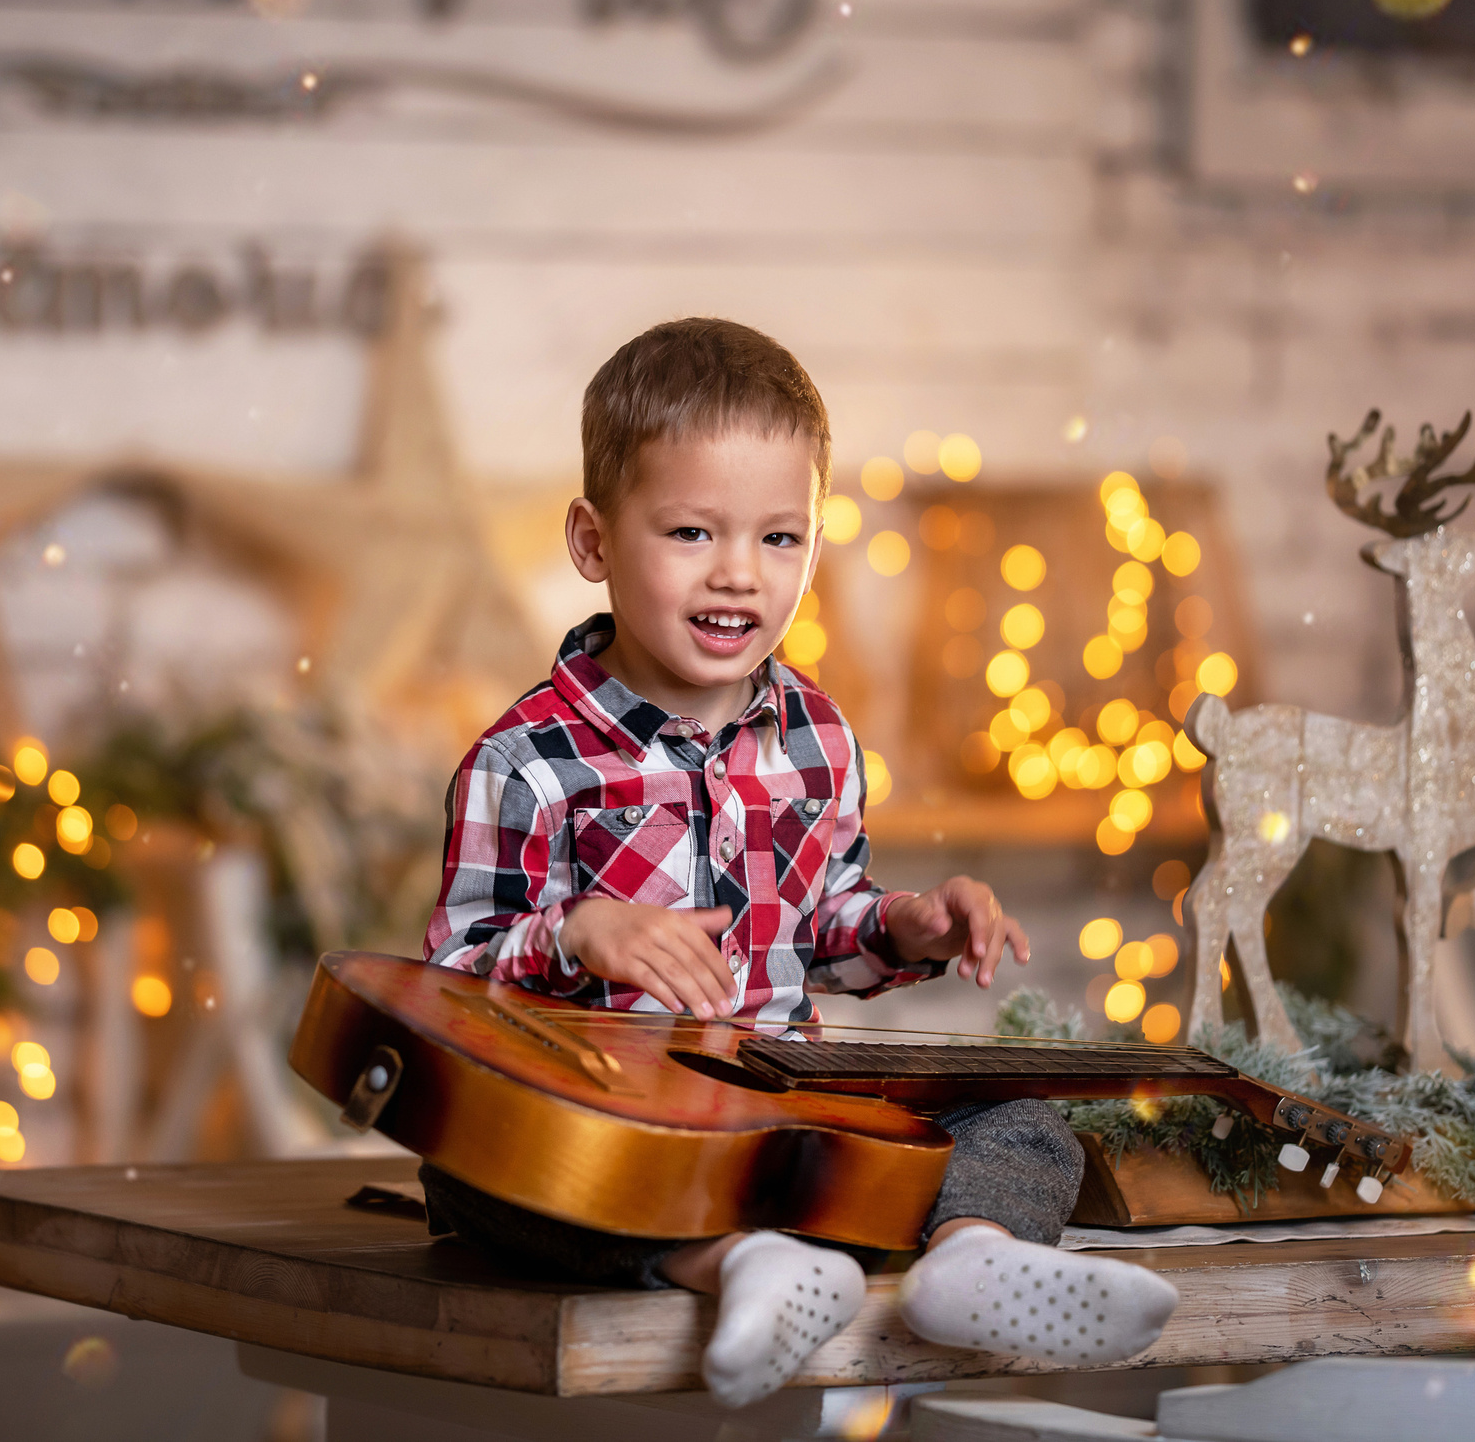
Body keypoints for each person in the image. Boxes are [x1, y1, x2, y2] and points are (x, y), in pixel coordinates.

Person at [421, 318, 1179, 1407]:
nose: (739, 575)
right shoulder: (528, 762)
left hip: (777, 1108)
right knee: (481, 1173)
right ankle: (744, 1266)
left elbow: (820, 927)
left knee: (1016, 1121)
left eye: (781, 539)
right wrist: (575, 932)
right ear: (593, 542)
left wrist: (903, 925)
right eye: (691, 532)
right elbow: (448, 996)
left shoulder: (814, 736)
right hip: (610, 1122)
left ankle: (965, 1257)